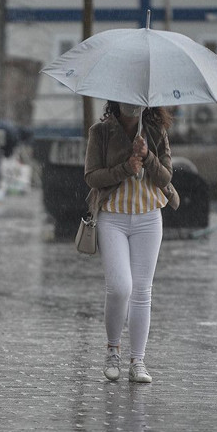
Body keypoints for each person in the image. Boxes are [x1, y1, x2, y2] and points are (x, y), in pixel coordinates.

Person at [83, 101, 179, 383]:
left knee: (142, 291)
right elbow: (91, 177)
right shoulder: (100, 132)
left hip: (149, 217)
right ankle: (113, 349)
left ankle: (138, 360)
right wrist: (126, 167)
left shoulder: (156, 131)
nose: (132, 106)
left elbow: (166, 176)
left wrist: (147, 156)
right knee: (119, 287)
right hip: (112, 216)